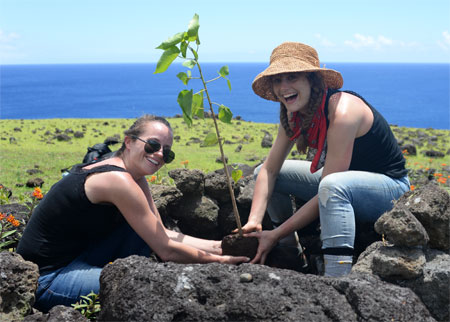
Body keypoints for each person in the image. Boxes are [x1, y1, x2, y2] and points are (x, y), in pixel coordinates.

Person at [17, 114, 249, 312]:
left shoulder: (131, 173)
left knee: (140, 229)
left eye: (166, 153)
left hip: (78, 257)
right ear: (129, 141)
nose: (159, 155)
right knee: (149, 286)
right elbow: (166, 250)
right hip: (45, 279)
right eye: (152, 145)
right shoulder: (118, 180)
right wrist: (220, 263)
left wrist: (220, 245)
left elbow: (163, 234)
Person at [241, 42, 410, 277]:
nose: (283, 87)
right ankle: (291, 254)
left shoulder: (343, 111)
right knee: (261, 172)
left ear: (313, 80)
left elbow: (328, 188)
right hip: (343, 184)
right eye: (277, 80)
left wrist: (274, 234)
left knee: (332, 186)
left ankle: (336, 280)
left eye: (292, 77)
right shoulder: (293, 114)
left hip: (389, 189)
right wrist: (254, 223)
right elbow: (270, 170)